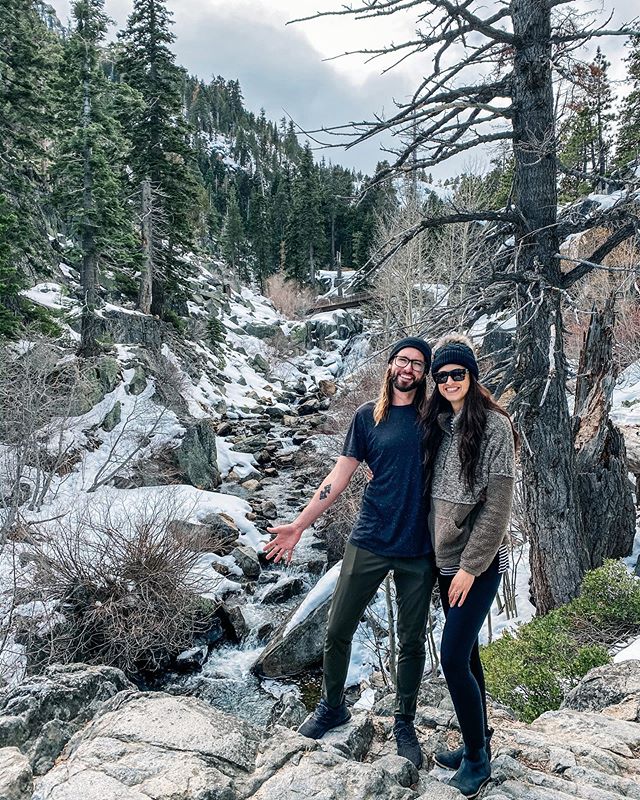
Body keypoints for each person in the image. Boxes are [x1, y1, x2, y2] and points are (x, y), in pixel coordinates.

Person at [264, 337, 436, 769]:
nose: (408, 369)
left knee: (411, 641)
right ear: (390, 365)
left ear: (425, 372)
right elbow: (337, 478)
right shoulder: (366, 417)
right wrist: (299, 526)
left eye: (417, 363)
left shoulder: (435, 417)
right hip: (369, 539)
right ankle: (332, 706)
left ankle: (404, 723)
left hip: (419, 546)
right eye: (402, 360)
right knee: (338, 628)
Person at [422, 334, 517, 798]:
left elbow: (497, 508)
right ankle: (476, 740)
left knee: (453, 658)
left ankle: (478, 759)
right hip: (444, 561)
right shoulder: (440, 423)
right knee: (470, 655)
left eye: (457, 373)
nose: (449, 382)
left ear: (471, 375)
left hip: (477, 564)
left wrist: (470, 568)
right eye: (441, 376)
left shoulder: (495, 426)